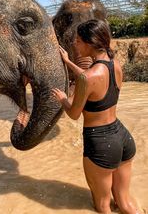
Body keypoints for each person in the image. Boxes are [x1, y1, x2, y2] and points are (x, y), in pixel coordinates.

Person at [51, 19, 139, 214]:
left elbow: (74, 114)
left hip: (101, 143)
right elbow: (92, 79)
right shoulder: (115, 65)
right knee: (125, 203)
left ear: (89, 43)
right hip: (123, 137)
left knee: (102, 207)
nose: (74, 44)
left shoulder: (87, 78)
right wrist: (68, 62)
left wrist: (64, 99)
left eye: (78, 41)